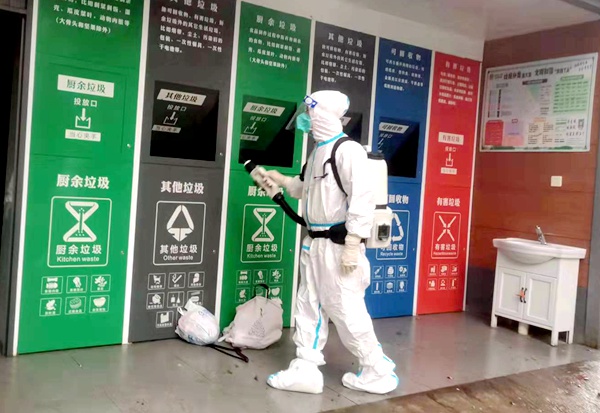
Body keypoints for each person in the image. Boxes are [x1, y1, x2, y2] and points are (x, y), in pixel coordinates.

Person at [262, 90, 399, 395]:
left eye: (309, 114)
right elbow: (303, 187)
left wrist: (352, 243)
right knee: (308, 305)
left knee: (345, 309)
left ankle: (376, 369)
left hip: (338, 247)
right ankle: (305, 369)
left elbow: (363, 197)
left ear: (321, 115)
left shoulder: (347, 150)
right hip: (315, 244)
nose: (305, 120)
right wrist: (279, 180)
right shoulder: (317, 153)